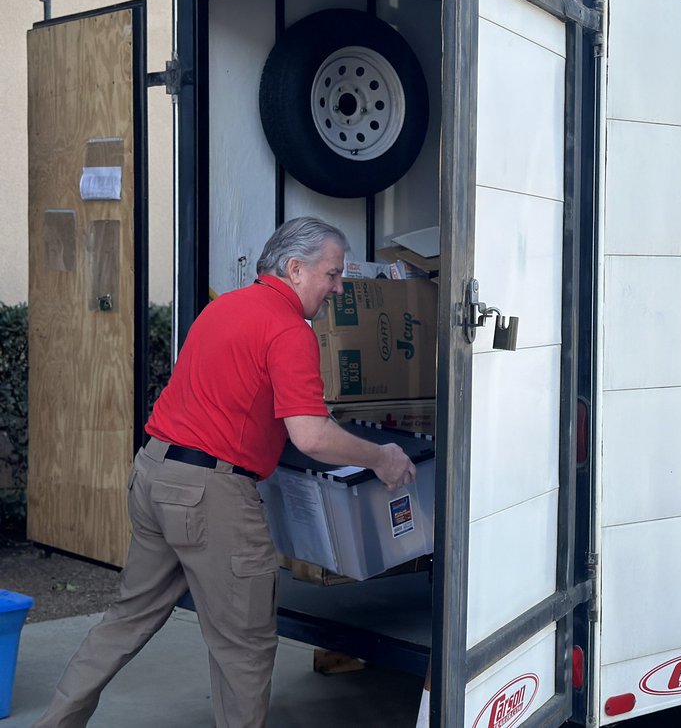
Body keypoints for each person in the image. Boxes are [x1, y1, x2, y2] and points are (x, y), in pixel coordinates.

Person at [33, 216, 417, 728]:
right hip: (209, 497)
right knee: (244, 648)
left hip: (154, 474)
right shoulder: (288, 329)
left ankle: (54, 723)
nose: (339, 288)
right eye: (332, 274)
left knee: (126, 618)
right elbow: (312, 435)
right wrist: (382, 457)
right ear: (296, 269)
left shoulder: (224, 308)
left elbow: (233, 400)